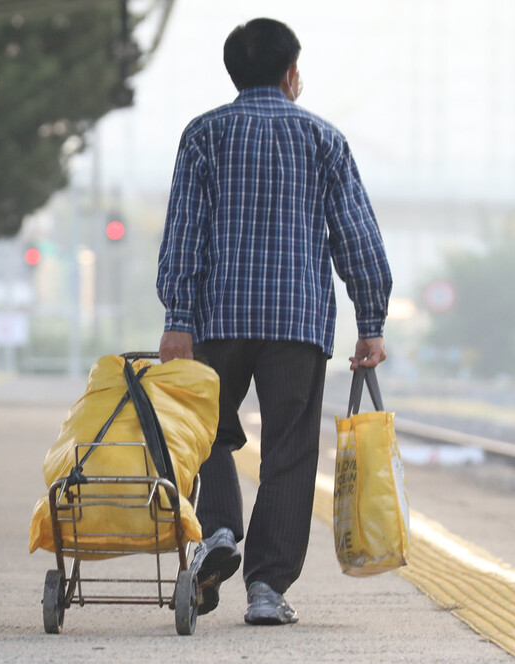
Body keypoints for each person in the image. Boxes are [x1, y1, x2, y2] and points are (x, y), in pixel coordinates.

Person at [156, 18, 392, 625]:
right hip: (298, 325)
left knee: (207, 433)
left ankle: (219, 534)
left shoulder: (204, 134)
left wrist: (178, 317)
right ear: (291, 74)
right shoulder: (324, 139)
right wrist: (371, 320)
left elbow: (185, 234)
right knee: (288, 452)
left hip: (216, 320)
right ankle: (266, 590)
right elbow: (356, 237)